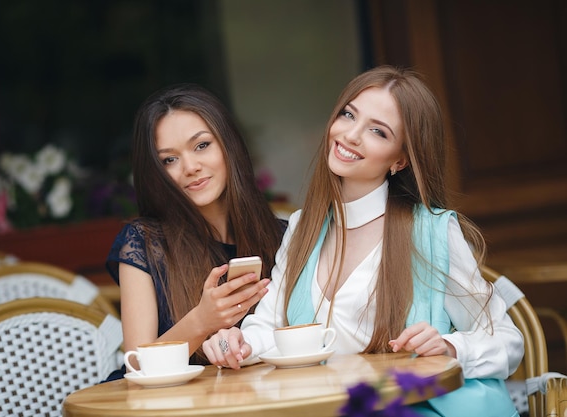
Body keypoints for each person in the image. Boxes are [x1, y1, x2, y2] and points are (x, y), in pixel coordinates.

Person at [202, 66, 523, 416]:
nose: (351, 135)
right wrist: (239, 344)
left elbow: (507, 340)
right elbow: (269, 325)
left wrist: (448, 345)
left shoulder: (432, 232)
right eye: (348, 114)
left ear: (400, 159)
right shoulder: (302, 227)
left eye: (378, 132)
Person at [105, 83, 286, 380]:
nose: (190, 167)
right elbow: (135, 366)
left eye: (202, 145)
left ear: (228, 145)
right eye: (169, 160)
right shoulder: (143, 242)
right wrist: (202, 321)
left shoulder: (282, 237)